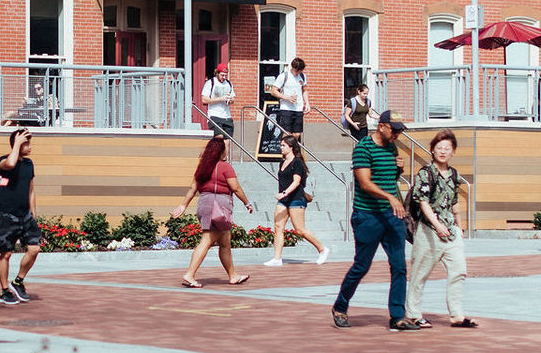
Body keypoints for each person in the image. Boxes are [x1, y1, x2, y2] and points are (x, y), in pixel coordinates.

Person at [330, 111, 415, 332]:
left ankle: (397, 316)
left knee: (399, 266)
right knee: (362, 265)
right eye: (395, 130)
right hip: (367, 215)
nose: (398, 134)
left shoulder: (392, 147)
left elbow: (388, 179)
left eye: (400, 131)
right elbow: (365, 183)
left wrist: (399, 169)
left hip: (391, 215)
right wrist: (389, 197)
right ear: (382, 126)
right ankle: (340, 306)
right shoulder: (363, 148)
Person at [403, 130, 476, 330]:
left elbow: (454, 203)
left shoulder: (453, 174)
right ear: (432, 151)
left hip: (450, 231)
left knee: (459, 271)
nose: (443, 152)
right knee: (420, 273)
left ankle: (457, 315)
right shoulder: (425, 173)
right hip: (428, 231)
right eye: (439, 148)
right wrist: (437, 225)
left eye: (447, 148)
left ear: (453, 151)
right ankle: (414, 314)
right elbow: (423, 203)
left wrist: (459, 227)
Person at [171, 136, 257, 288]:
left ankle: (233, 275)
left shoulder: (203, 167)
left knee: (225, 242)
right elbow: (235, 187)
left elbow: (193, 188)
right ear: (221, 151)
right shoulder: (225, 167)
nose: (227, 151)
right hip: (218, 205)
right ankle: (190, 274)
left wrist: (183, 205)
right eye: (226, 148)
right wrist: (247, 202)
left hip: (204, 202)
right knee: (207, 240)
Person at [0, 129, 42, 305]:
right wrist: (17, 143)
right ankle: (5, 290)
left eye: (29, 142)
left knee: (34, 248)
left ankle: (18, 281)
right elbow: (11, 164)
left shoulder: (29, 164)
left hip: (25, 214)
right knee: (5, 254)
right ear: (17, 143)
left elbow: (31, 190)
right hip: (6, 214)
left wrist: (33, 214)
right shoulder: (3, 161)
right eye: (26, 142)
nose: (29, 146)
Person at [264, 134, 327, 267]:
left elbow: (297, 181)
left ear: (291, 147)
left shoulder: (297, 162)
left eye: (283, 146)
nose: (280, 148)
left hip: (296, 199)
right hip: (284, 200)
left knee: (300, 230)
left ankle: (322, 249)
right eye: (280, 145)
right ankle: (277, 258)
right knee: (278, 226)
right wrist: (283, 195)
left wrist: (284, 193)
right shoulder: (282, 162)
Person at [266, 58, 309, 137]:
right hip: (286, 108)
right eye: (297, 70)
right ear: (292, 68)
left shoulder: (302, 76)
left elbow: (304, 90)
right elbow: (273, 91)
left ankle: (292, 149)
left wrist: (307, 103)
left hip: (298, 108)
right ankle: (285, 148)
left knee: (297, 134)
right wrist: (287, 98)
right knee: (286, 133)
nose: (298, 72)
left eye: (300, 71)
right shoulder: (284, 76)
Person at [201, 64, 237, 138]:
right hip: (214, 115)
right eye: (222, 75)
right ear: (217, 73)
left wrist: (230, 100)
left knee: (227, 142)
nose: (224, 77)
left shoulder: (229, 84)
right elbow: (204, 99)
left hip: (227, 116)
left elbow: (233, 99)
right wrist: (220, 99)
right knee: (219, 138)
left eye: (225, 75)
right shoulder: (210, 83)